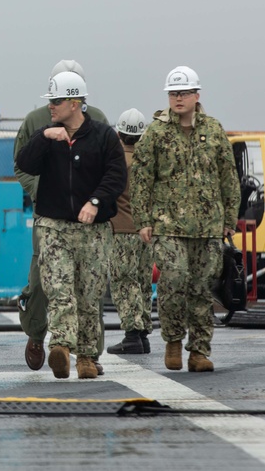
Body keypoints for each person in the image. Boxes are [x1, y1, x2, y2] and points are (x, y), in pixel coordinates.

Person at [15, 70, 126, 379]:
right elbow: (24, 163)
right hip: (53, 228)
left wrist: (95, 202)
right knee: (59, 289)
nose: (51, 106)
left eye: (56, 101)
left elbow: (116, 176)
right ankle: (61, 348)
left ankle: (88, 357)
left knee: (89, 295)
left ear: (75, 102)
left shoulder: (104, 136)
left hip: (92, 232)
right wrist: (43, 137)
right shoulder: (49, 137)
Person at [130, 66, 240, 372]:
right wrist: (142, 219)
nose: (178, 99)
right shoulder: (156, 132)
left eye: (183, 93)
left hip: (208, 227)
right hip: (168, 226)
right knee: (173, 281)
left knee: (202, 288)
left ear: (196, 95)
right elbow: (140, 177)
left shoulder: (214, 130)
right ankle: (174, 341)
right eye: (173, 93)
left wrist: (230, 217)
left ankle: (200, 351)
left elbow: (229, 176)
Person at [106, 108, 154, 355]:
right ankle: (143, 333)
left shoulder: (115, 162)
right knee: (143, 281)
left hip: (121, 230)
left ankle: (132, 335)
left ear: (118, 133)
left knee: (124, 282)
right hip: (145, 232)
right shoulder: (147, 163)